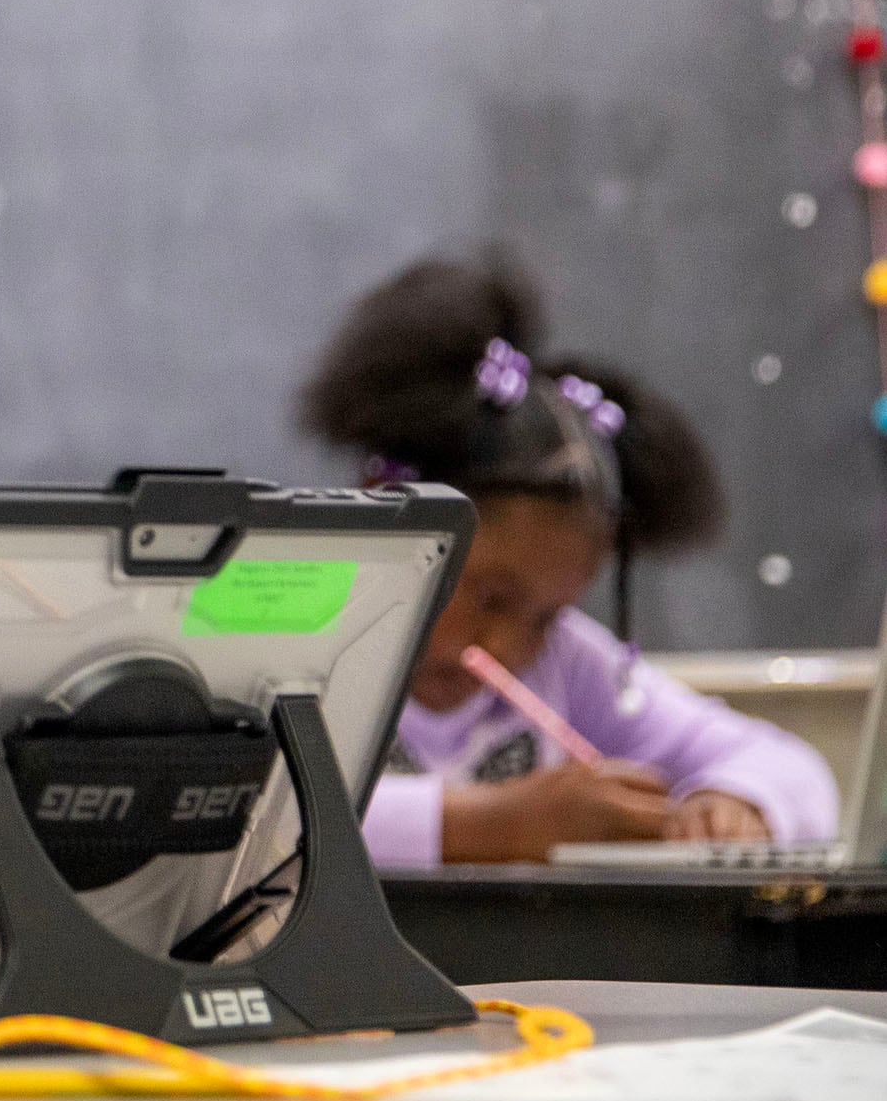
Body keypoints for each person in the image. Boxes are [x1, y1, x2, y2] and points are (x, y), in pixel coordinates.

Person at [300, 253, 839, 866]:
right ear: (385, 511)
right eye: (489, 596)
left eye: (546, 614)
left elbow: (796, 772)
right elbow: (253, 825)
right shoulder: (296, 638)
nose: (507, 646)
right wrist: (492, 824)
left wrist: (737, 803)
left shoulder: (566, 667)